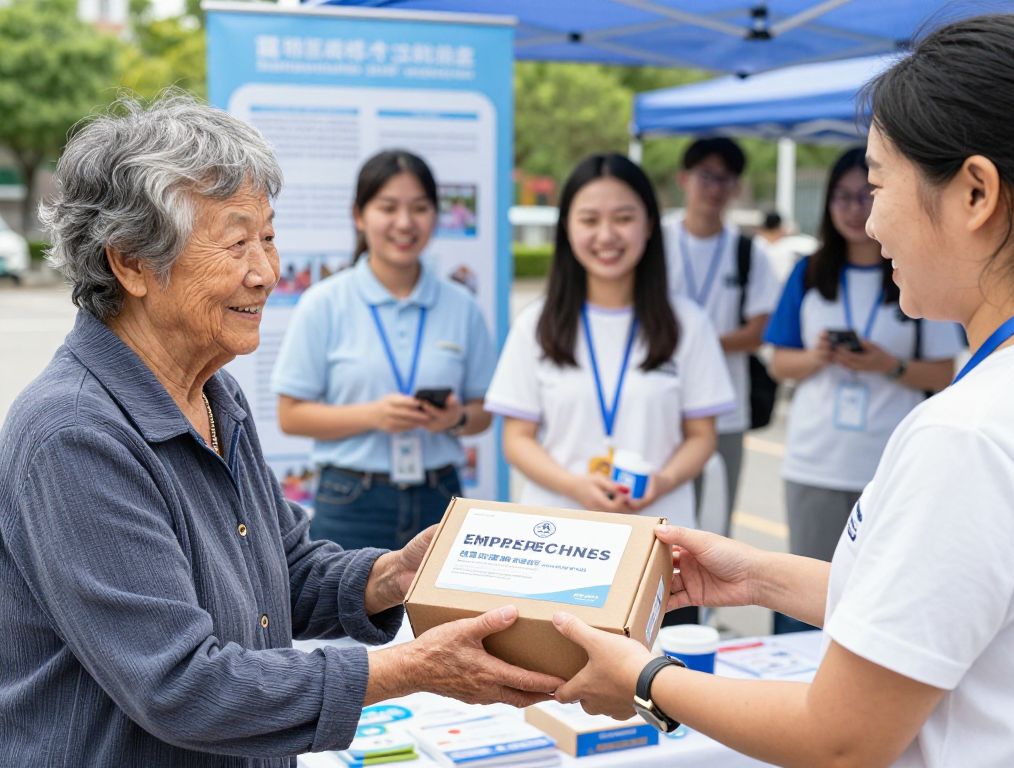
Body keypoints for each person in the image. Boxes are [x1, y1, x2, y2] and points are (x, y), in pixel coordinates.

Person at [0, 95, 561, 767]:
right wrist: (415, 668)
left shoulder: (214, 393)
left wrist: (391, 575)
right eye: (237, 243)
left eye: (267, 237)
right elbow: (182, 687)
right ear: (131, 264)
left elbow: (281, 569)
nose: (266, 272)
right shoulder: (74, 433)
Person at [548, 14, 1014, 767]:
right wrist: (758, 575)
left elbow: (838, 740)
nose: (869, 221)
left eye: (877, 183)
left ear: (974, 194)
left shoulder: (967, 435)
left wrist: (643, 677)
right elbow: (940, 604)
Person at [485, 153, 735, 623]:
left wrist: (660, 481)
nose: (606, 236)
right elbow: (515, 440)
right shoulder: (535, 325)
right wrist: (576, 486)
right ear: (567, 229)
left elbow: (702, 435)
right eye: (589, 219)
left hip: (659, 546)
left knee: (660, 688)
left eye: (623, 218)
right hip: (557, 547)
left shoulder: (688, 324)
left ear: (648, 227)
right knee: (551, 690)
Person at [272, 150, 495, 551]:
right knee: (340, 612)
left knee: (444, 615)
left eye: (420, 208)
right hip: (351, 498)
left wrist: (454, 417)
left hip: (440, 495)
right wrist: (374, 415)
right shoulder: (324, 302)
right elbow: (290, 416)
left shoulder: (461, 305)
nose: (405, 223)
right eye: (388, 208)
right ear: (359, 215)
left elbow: (483, 414)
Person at [763, 147, 960, 565]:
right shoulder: (809, 272)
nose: (855, 209)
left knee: (884, 591)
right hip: (814, 461)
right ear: (828, 202)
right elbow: (779, 363)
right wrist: (817, 357)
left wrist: (889, 365)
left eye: (867, 194)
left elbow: (944, 373)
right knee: (805, 592)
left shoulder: (918, 270)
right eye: (842, 196)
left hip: (891, 464)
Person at [663, 137, 780, 537]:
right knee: (657, 517)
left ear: (736, 188)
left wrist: (698, 342)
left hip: (724, 409)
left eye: (725, 179)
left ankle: (705, 603)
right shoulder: (655, 242)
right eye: (706, 176)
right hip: (659, 403)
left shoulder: (749, 251)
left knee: (713, 521)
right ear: (683, 179)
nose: (715, 188)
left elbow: (760, 330)